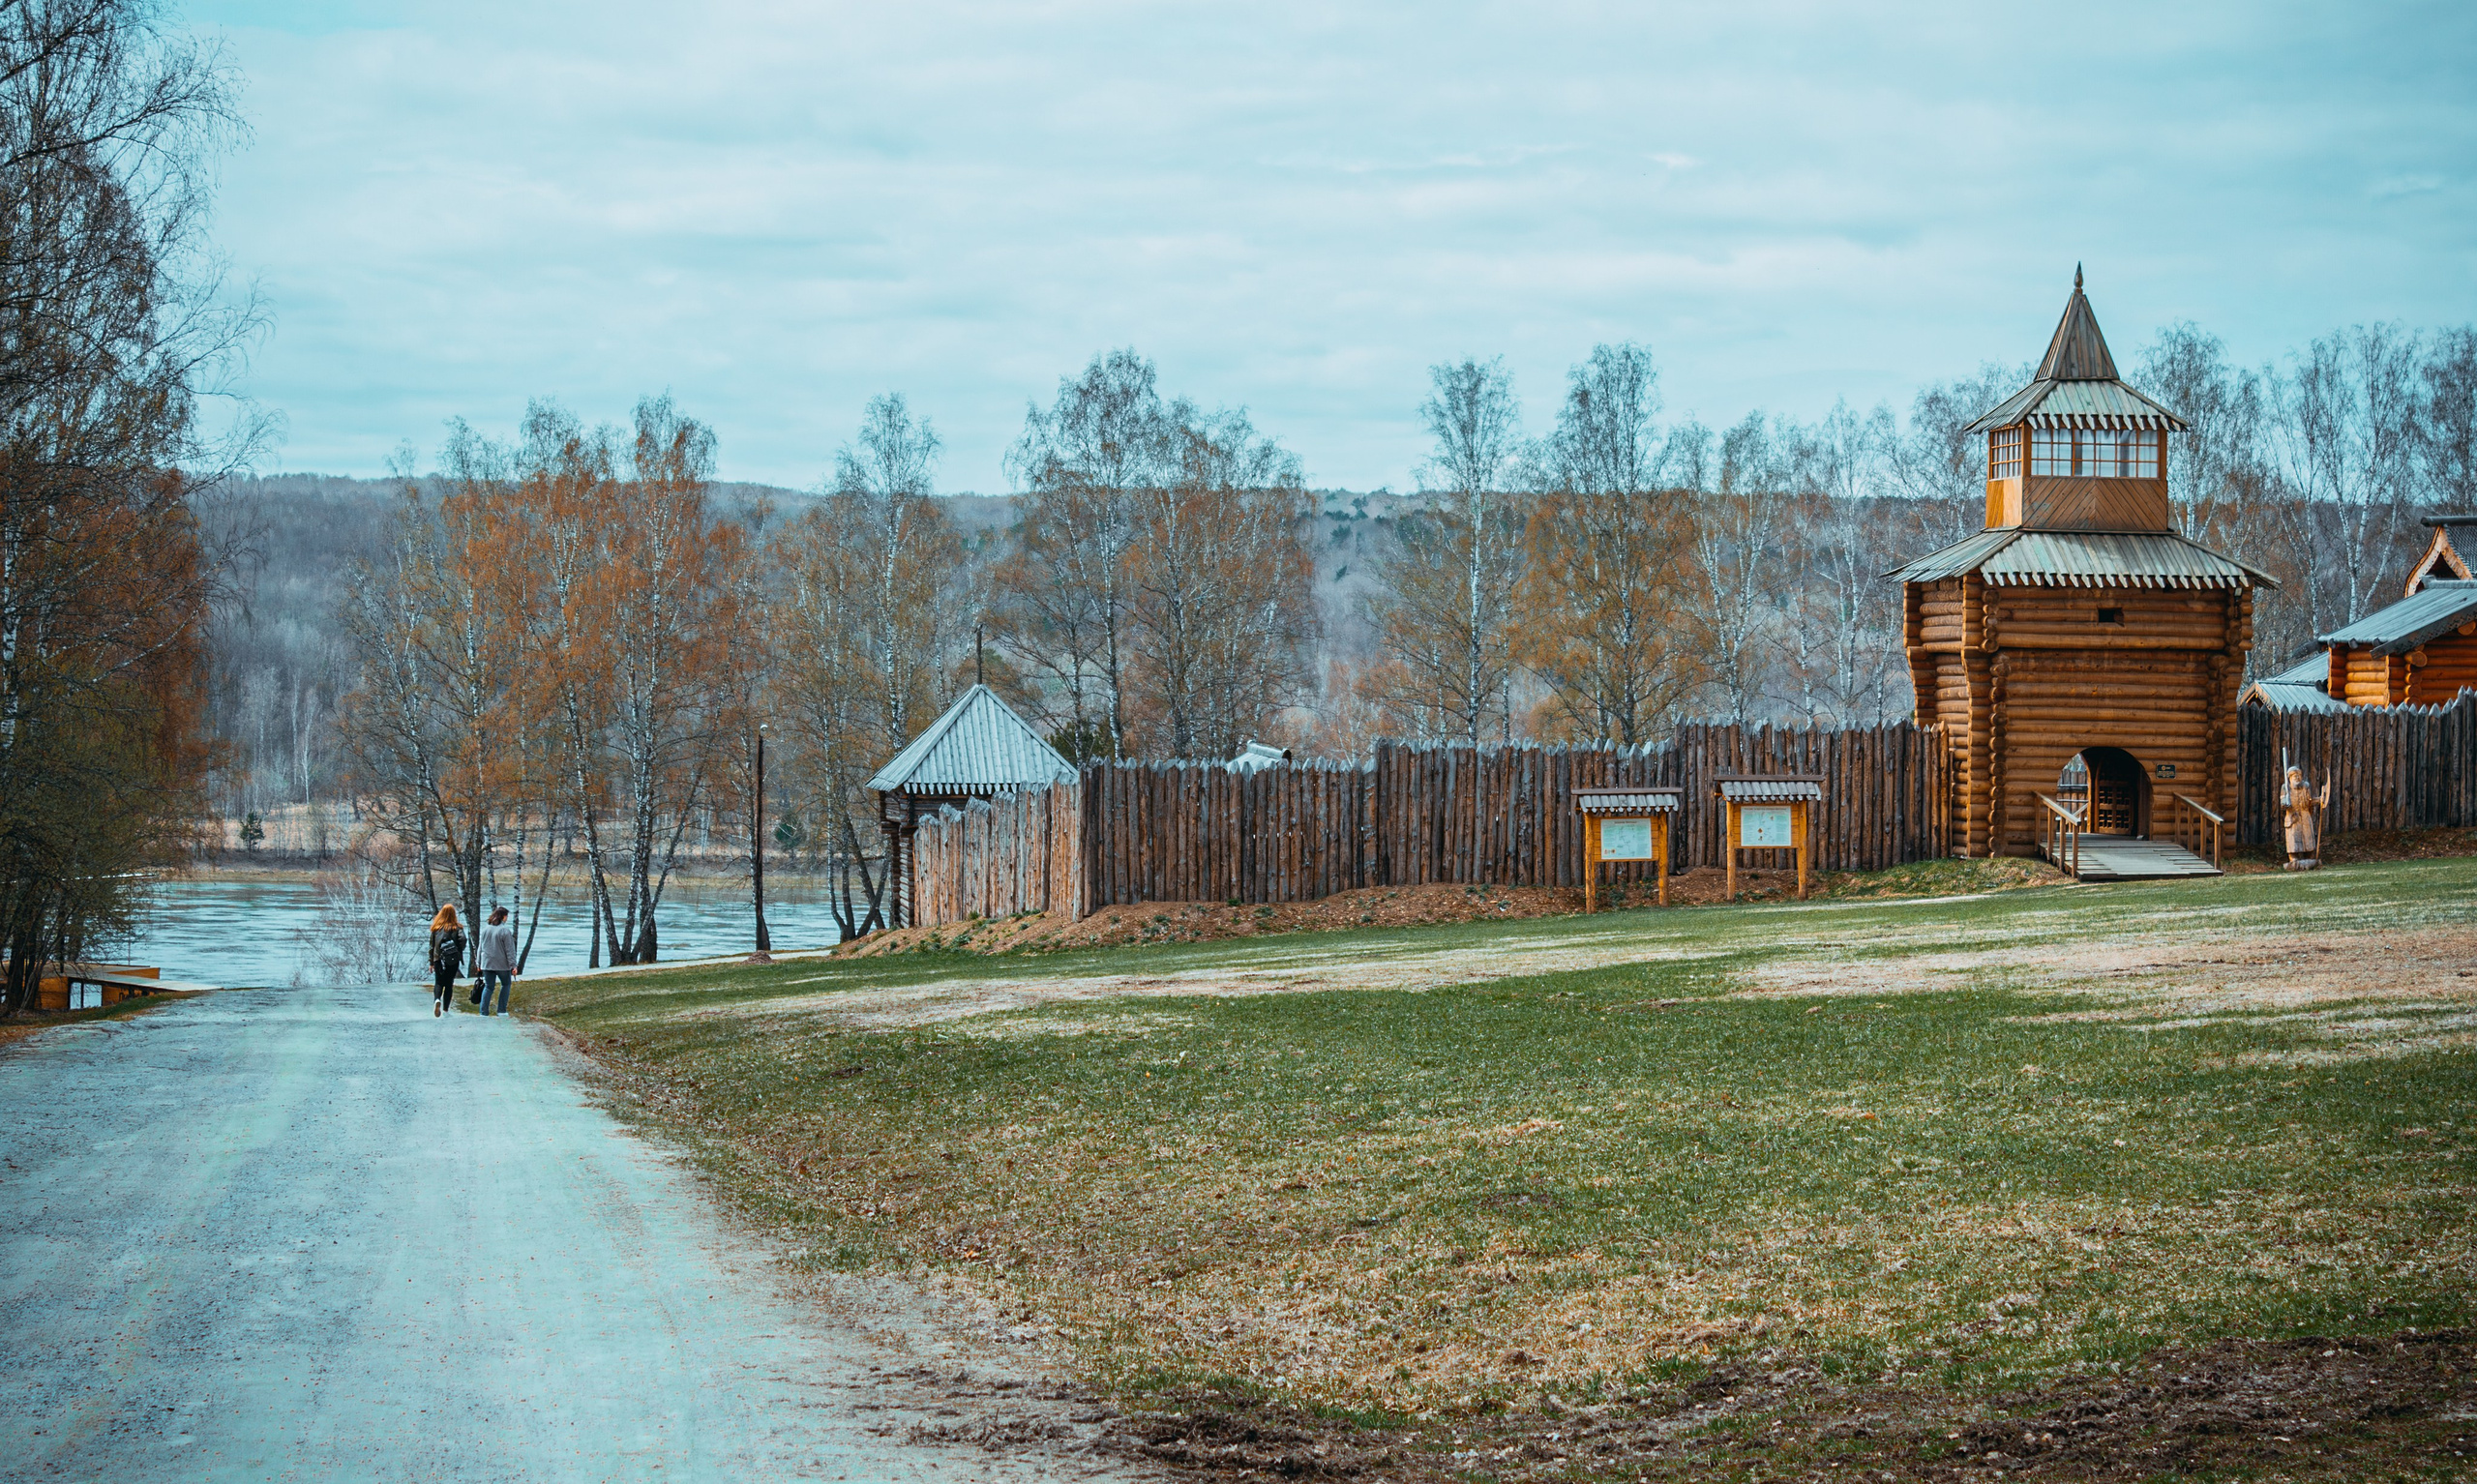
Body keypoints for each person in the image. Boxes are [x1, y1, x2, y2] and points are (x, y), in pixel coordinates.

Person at [475, 907, 517, 1017]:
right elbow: (510, 950)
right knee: (506, 984)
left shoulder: (485, 930)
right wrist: (513, 965)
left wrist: (478, 963)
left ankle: (483, 1012)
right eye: (506, 916)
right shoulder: (505, 931)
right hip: (502, 964)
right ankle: (501, 1010)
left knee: (488, 987)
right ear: (503, 917)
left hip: (487, 963)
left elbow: (480, 947)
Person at [429, 905, 465, 1017]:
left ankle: (436, 1000)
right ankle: (445, 1010)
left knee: (439, 982)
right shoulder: (457, 928)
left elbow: (431, 946)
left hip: (438, 959)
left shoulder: (436, 928)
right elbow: (463, 939)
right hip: (452, 959)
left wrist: (431, 962)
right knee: (449, 984)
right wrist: (458, 950)